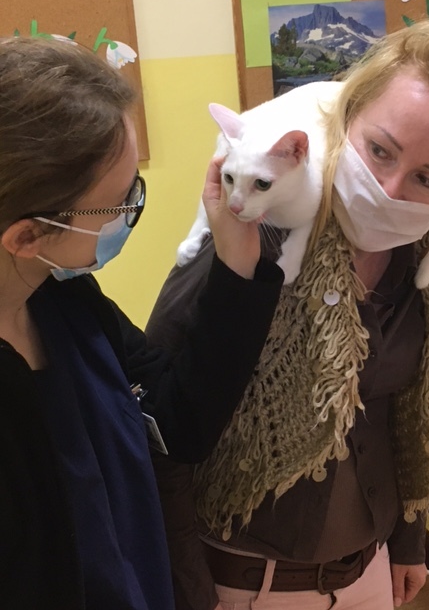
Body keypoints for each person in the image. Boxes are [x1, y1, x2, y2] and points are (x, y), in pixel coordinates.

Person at [146, 18, 429, 610]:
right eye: (379, 150)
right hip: (242, 587)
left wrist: (406, 541)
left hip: (366, 576)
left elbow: (403, 416)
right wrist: (188, 590)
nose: (388, 188)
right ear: (346, 119)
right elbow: (157, 426)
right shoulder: (251, 242)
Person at [0, 36, 285, 610]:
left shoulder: (68, 304)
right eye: (119, 205)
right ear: (27, 237)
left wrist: (235, 259)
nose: (131, 213)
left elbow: (180, 422)